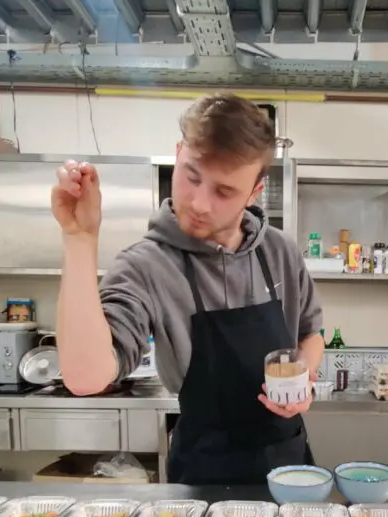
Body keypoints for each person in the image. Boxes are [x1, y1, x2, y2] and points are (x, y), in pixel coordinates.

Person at [51, 93, 324, 485]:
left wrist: (302, 379)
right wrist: (79, 237)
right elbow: (86, 377)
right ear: (179, 153)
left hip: (289, 468)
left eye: (224, 192)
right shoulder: (146, 265)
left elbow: (310, 334)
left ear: (254, 192)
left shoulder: (280, 250)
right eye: (192, 176)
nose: (199, 203)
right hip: (203, 475)